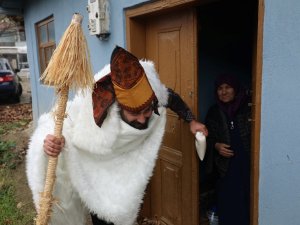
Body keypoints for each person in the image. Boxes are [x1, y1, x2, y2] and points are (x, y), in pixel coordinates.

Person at [26, 46, 207, 225]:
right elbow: (65, 121)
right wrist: (50, 141)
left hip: (128, 165)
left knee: (128, 203)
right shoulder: (95, 101)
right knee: (103, 215)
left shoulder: (153, 94)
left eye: (147, 111)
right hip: (98, 170)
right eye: (135, 113)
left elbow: (171, 97)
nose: (143, 120)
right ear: (118, 107)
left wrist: (191, 120)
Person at [205, 74, 251, 225]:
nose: (223, 92)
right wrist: (216, 146)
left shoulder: (249, 108)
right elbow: (206, 137)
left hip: (247, 163)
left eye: (228, 87)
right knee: (228, 199)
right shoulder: (214, 112)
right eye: (220, 88)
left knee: (247, 198)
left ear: (235, 89)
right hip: (225, 166)